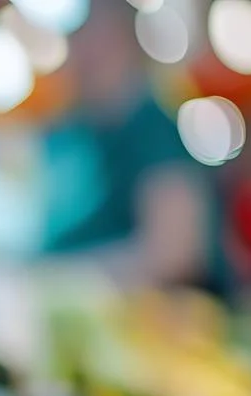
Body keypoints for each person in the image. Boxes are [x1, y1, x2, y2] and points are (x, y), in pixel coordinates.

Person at [32, 2, 225, 293]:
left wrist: (53, 277)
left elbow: (174, 253)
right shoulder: (81, 133)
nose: (77, 52)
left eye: (90, 35)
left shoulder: (150, 128)